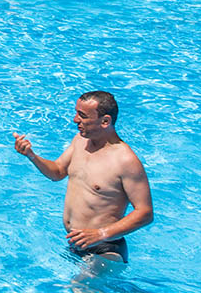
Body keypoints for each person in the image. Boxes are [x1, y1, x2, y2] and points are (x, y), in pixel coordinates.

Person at [14, 91, 153, 266]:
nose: (75, 120)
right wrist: (31, 155)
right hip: (76, 245)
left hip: (105, 248)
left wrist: (101, 234)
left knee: (79, 287)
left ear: (105, 121)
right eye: (76, 112)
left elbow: (145, 213)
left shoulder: (125, 160)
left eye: (82, 115)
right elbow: (57, 172)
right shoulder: (80, 141)